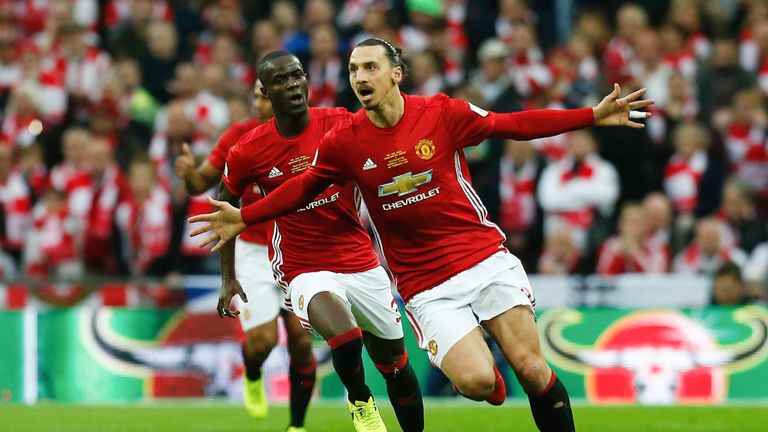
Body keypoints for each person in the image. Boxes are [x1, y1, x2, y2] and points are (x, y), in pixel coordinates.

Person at [191, 38, 654, 432]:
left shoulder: (441, 114)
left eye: (370, 67)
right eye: (353, 69)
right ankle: (466, 382)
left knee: (532, 368)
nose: (359, 76)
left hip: (481, 256)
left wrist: (589, 116)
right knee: (475, 384)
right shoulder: (344, 141)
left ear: (397, 73)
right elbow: (302, 188)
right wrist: (245, 217)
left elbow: (512, 124)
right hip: (424, 284)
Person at [204, 52, 424, 432]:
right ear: (265, 92)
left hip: (360, 260)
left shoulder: (340, 123)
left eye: (297, 76)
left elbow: (387, 141)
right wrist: (228, 277)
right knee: (345, 337)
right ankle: (359, 401)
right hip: (302, 265)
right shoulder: (248, 149)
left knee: (396, 364)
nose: (292, 85)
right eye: (281, 81)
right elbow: (225, 208)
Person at [174, 79, 317, 432]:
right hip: (253, 250)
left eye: (264, 96)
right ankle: (252, 372)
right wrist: (190, 175)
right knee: (264, 341)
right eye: (254, 95)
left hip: (299, 245)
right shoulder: (239, 136)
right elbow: (202, 183)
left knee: (300, 341)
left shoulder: (314, 130)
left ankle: (296, 426)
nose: (257, 103)